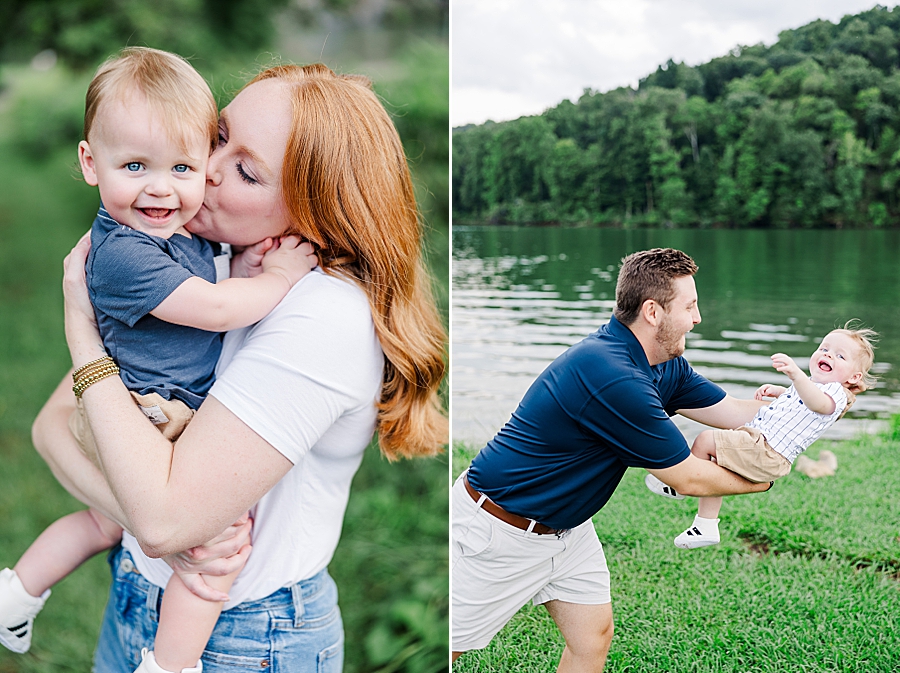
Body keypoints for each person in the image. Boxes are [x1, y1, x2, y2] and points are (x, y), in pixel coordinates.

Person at [30, 61, 447, 673]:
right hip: (137, 598)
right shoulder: (200, 262)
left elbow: (165, 516)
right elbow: (51, 427)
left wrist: (82, 332)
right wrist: (151, 531)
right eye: (218, 137)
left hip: (246, 640)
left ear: (315, 213)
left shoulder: (323, 318)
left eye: (247, 170)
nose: (206, 168)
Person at [0, 48, 316, 673]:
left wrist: (244, 262)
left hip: (141, 404)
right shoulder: (121, 254)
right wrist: (278, 275)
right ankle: (170, 666)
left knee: (102, 522)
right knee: (214, 557)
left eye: (182, 166)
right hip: (150, 414)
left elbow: (211, 271)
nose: (161, 187)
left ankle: (16, 591)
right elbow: (218, 309)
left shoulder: (173, 229)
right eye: (136, 165)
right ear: (90, 163)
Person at [451, 248, 774, 672]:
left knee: (592, 639)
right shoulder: (612, 374)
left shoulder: (663, 364)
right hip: (498, 530)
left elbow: (733, 411)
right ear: (653, 312)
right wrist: (760, 482)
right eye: (691, 306)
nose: (698, 318)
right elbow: (688, 478)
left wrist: (810, 405)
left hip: (568, 531)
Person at [646, 323, 876, 549]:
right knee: (715, 461)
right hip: (761, 445)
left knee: (706, 440)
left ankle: (679, 484)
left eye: (840, 356)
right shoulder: (817, 386)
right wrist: (781, 392)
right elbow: (803, 402)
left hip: (767, 451)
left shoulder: (836, 393)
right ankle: (705, 524)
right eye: (824, 349)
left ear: (854, 378)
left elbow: (818, 403)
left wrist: (796, 375)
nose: (828, 355)